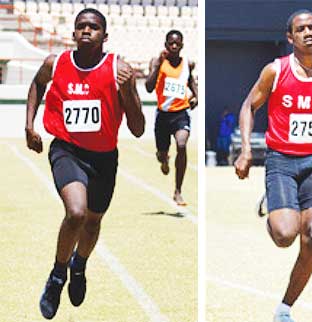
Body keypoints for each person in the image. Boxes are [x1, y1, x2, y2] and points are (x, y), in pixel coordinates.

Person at [233, 9, 312, 322]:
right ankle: (275, 207)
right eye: (300, 29)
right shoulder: (275, 71)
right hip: (281, 161)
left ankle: (285, 308)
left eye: (311, 28)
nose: (307, 33)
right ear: (290, 37)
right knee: (285, 235)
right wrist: (246, 150)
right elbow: (249, 105)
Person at [24, 8, 144, 319]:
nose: (86, 31)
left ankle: (79, 266)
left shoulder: (119, 69)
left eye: (93, 27)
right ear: (74, 33)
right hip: (67, 150)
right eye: (81, 26)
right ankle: (57, 275)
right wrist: (29, 125)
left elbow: (138, 128)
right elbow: (37, 85)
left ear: (105, 35)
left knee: (92, 222)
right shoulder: (57, 63)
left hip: (104, 158)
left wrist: (128, 89)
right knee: (76, 213)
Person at [145, 29, 198, 206]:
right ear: (166, 45)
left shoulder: (188, 64)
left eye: (177, 43)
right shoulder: (158, 61)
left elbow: (191, 82)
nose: (174, 46)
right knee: (162, 153)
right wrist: (158, 64)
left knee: (182, 145)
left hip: (180, 113)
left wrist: (196, 96)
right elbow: (148, 87)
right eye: (171, 43)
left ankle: (178, 190)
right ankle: (163, 159)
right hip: (163, 115)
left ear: (182, 45)